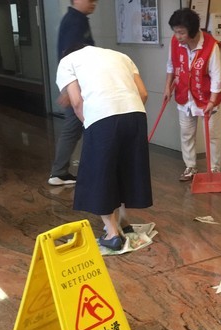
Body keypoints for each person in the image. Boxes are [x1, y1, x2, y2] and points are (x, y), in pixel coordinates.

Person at [56, 44, 152, 251]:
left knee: (99, 175)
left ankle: (111, 233)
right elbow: (143, 93)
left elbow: (76, 101)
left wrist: (89, 124)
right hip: (135, 114)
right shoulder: (121, 56)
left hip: (101, 118)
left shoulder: (67, 61)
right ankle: (124, 223)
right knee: (125, 169)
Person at [163, 8, 221, 181]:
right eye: (175, 32)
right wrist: (168, 87)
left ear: (193, 30)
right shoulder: (175, 43)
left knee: (211, 136)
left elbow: (217, 77)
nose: (177, 36)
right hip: (184, 96)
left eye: (181, 32)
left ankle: (214, 169)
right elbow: (171, 65)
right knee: (186, 133)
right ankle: (190, 166)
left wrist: (212, 102)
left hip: (206, 98)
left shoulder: (211, 46)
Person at [48, 0, 97, 186]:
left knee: (77, 127)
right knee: (75, 126)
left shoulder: (80, 19)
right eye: (90, 0)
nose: (94, 3)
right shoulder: (74, 21)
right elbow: (68, 55)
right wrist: (70, 89)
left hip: (80, 83)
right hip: (77, 84)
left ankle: (61, 171)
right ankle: (59, 172)